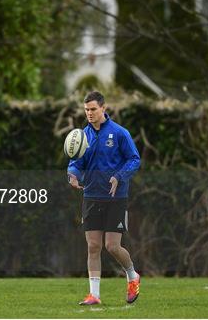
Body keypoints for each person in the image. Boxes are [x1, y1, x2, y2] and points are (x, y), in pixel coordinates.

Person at [67, 91, 141, 305]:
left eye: (93, 109)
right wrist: (72, 175)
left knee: (112, 246)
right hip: (91, 195)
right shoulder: (82, 136)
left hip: (115, 197)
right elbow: (75, 162)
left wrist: (119, 176)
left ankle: (132, 276)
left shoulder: (119, 133)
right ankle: (94, 295)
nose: (89, 113)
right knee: (92, 246)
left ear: (103, 108)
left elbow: (134, 160)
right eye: (86, 110)